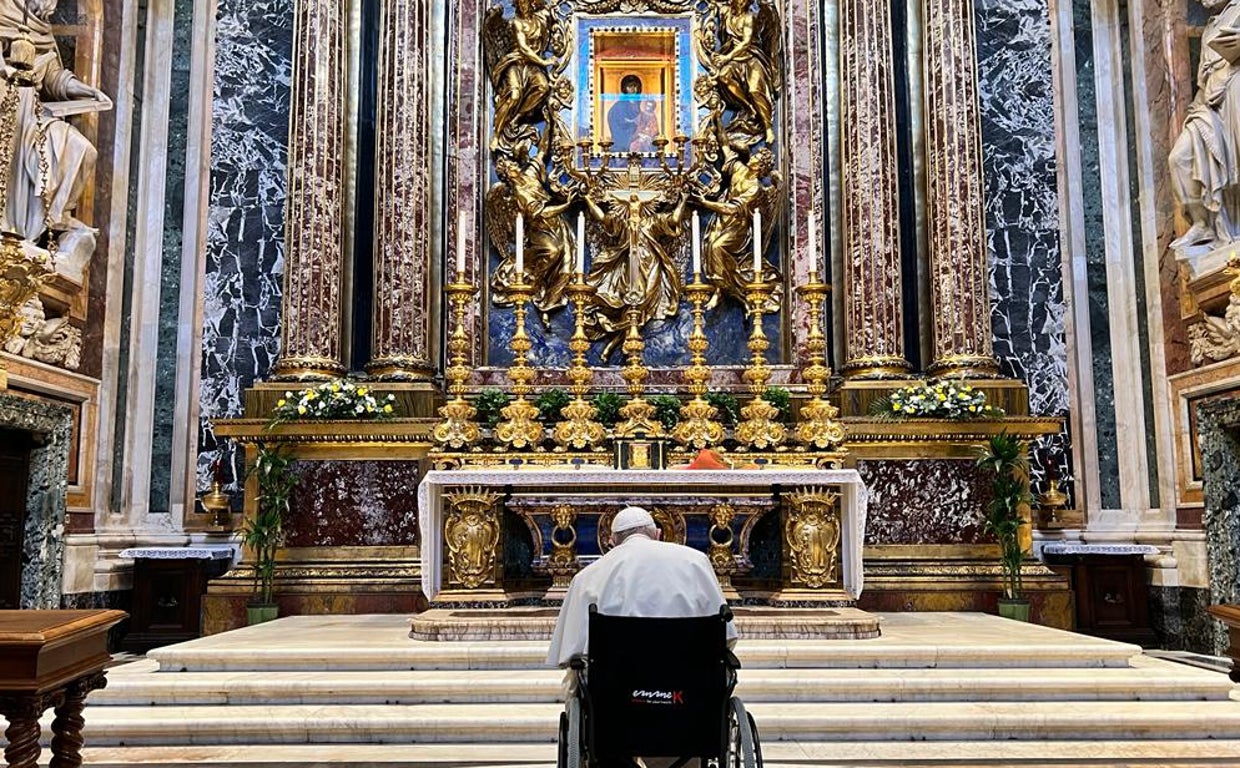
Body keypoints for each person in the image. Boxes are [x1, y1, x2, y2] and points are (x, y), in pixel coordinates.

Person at [547, 505, 736, 669]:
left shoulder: (587, 577)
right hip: (690, 692)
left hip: (615, 692)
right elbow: (726, 636)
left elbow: (573, 652)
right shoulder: (697, 563)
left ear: (612, 542)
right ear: (658, 534)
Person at [606, 74, 644, 153]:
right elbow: (616, 120)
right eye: (629, 86)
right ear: (625, 88)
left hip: (640, 134)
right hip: (625, 137)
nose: (633, 89)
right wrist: (633, 122)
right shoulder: (620, 105)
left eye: (635, 86)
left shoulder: (642, 103)